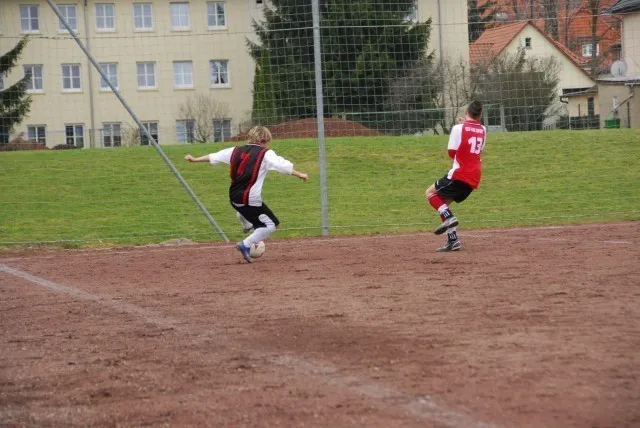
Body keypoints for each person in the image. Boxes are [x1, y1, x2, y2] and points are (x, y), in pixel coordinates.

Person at [185, 126, 308, 263]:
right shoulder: (265, 154)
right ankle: (245, 245)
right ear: (264, 141)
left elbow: (214, 156)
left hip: (234, 197)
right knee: (272, 225)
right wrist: (300, 174)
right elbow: (283, 166)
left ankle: (248, 225)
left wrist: (194, 159)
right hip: (250, 198)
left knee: (245, 210)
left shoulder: (235, 150)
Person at [425, 101, 486, 252]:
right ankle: (453, 241)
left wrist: (459, 128)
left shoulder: (458, 129)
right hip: (474, 177)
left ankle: (449, 218)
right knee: (444, 204)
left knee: (430, 193)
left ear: (466, 112)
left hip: (460, 173)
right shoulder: (483, 130)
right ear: (480, 116)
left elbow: (452, 153)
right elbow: (476, 148)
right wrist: (463, 125)